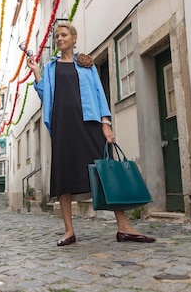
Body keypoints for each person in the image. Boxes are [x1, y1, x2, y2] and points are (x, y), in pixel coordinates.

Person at [26, 21, 156, 246]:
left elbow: (98, 93)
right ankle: (69, 230)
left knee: (105, 170)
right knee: (63, 174)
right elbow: (45, 95)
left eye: (63, 35)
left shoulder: (86, 65)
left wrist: (105, 123)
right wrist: (36, 72)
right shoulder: (51, 68)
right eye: (57, 36)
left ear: (74, 38)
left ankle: (123, 226)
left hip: (89, 122)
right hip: (62, 126)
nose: (59, 39)